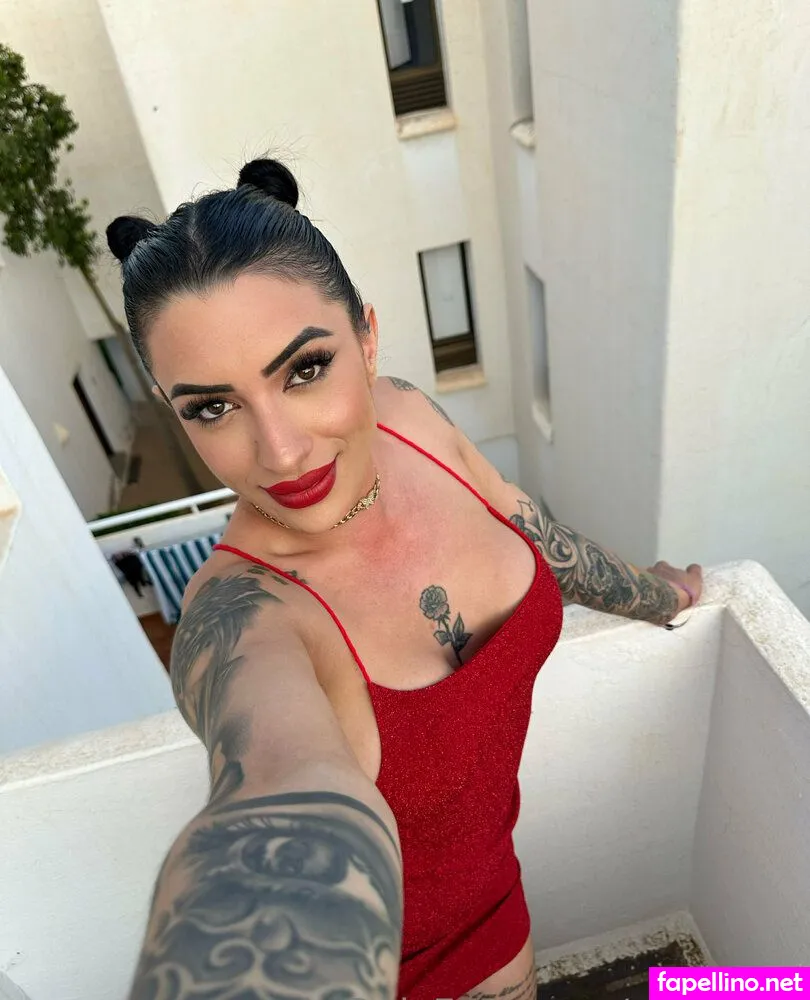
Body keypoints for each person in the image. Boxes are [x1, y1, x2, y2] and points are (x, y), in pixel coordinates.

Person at [107, 159, 703, 1000]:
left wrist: (659, 594)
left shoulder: (410, 418)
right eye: (213, 407)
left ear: (367, 338)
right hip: (391, 975)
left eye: (304, 369)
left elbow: (534, 530)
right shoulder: (239, 615)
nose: (281, 451)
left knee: (757, 987)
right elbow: (273, 792)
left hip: (497, 908)